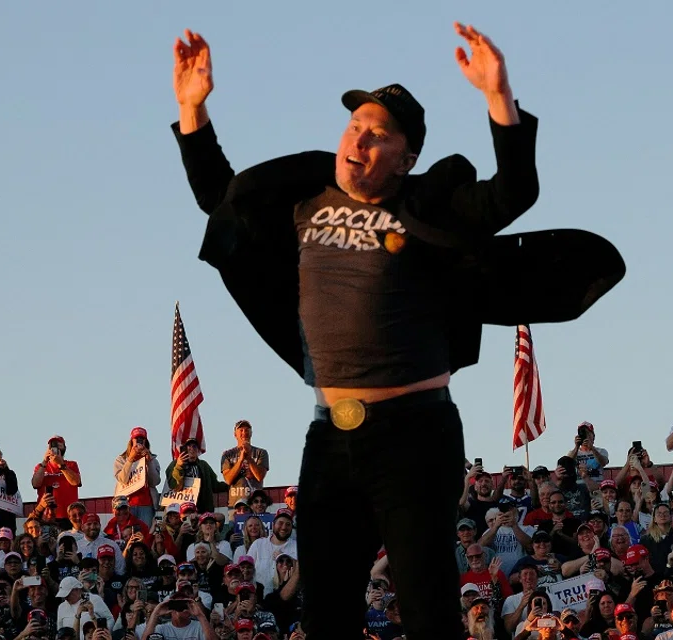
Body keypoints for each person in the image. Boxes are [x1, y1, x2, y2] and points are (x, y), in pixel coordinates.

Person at [170, 22, 622, 640]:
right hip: (330, 436)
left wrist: (499, 96)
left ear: (405, 157)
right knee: (326, 613)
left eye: (378, 134)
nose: (359, 138)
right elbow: (219, 198)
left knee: (428, 608)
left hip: (414, 433)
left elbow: (513, 192)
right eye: (354, 126)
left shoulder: (424, 203)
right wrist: (193, 110)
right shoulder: (304, 199)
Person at [164, 437, 228, 514]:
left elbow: (215, 485)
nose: (191, 448)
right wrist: (179, 466)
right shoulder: (174, 464)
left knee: (220, 517)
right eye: (189, 446)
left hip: (202, 510)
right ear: (184, 448)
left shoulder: (204, 465)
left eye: (194, 446)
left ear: (198, 450)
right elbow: (174, 486)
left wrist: (231, 486)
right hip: (181, 511)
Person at [114, 427, 163, 526]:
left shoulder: (153, 460)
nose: (139, 442)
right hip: (127, 505)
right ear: (131, 441)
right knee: (127, 534)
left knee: (145, 535)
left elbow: (155, 482)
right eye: (137, 439)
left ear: (146, 441)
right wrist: (130, 459)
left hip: (147, 505)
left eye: (142, 439)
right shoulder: (121, 460)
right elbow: (122, 479)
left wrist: (149, 462)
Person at [220, 420, 270, 508]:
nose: (244, 432)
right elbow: (228, 479)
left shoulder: (261, 452)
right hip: (235, 505)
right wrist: (241, 459)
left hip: (255, 505)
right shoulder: (227, 454)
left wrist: (249, 458)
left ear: (251, 433)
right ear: (235, 434)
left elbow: (260, 476)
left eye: (247, 430)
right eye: (241, 430)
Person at [32, 435, 83, 519]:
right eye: (52, 445)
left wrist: (61, 464)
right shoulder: (40, 467)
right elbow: (35, 484)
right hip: (47, 516)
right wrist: (45, 461)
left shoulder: (71, 464)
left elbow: (76, 482)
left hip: (68, 516)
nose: (55, 447)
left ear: (64, 448)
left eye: (58, 445)